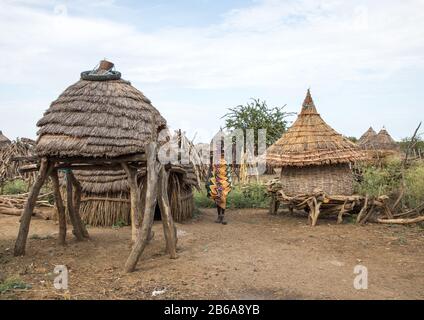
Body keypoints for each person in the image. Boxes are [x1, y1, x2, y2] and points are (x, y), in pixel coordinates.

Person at [205, 150, 232, 225]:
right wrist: (208, 179)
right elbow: (212, 171)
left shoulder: (225, 162)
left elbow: (227, 173)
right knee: (217, 198)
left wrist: (229, 183)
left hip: (224, 183)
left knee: (223, 199)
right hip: (216, 182)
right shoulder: (215, 161)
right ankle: (219, 216)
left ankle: (222, 216)